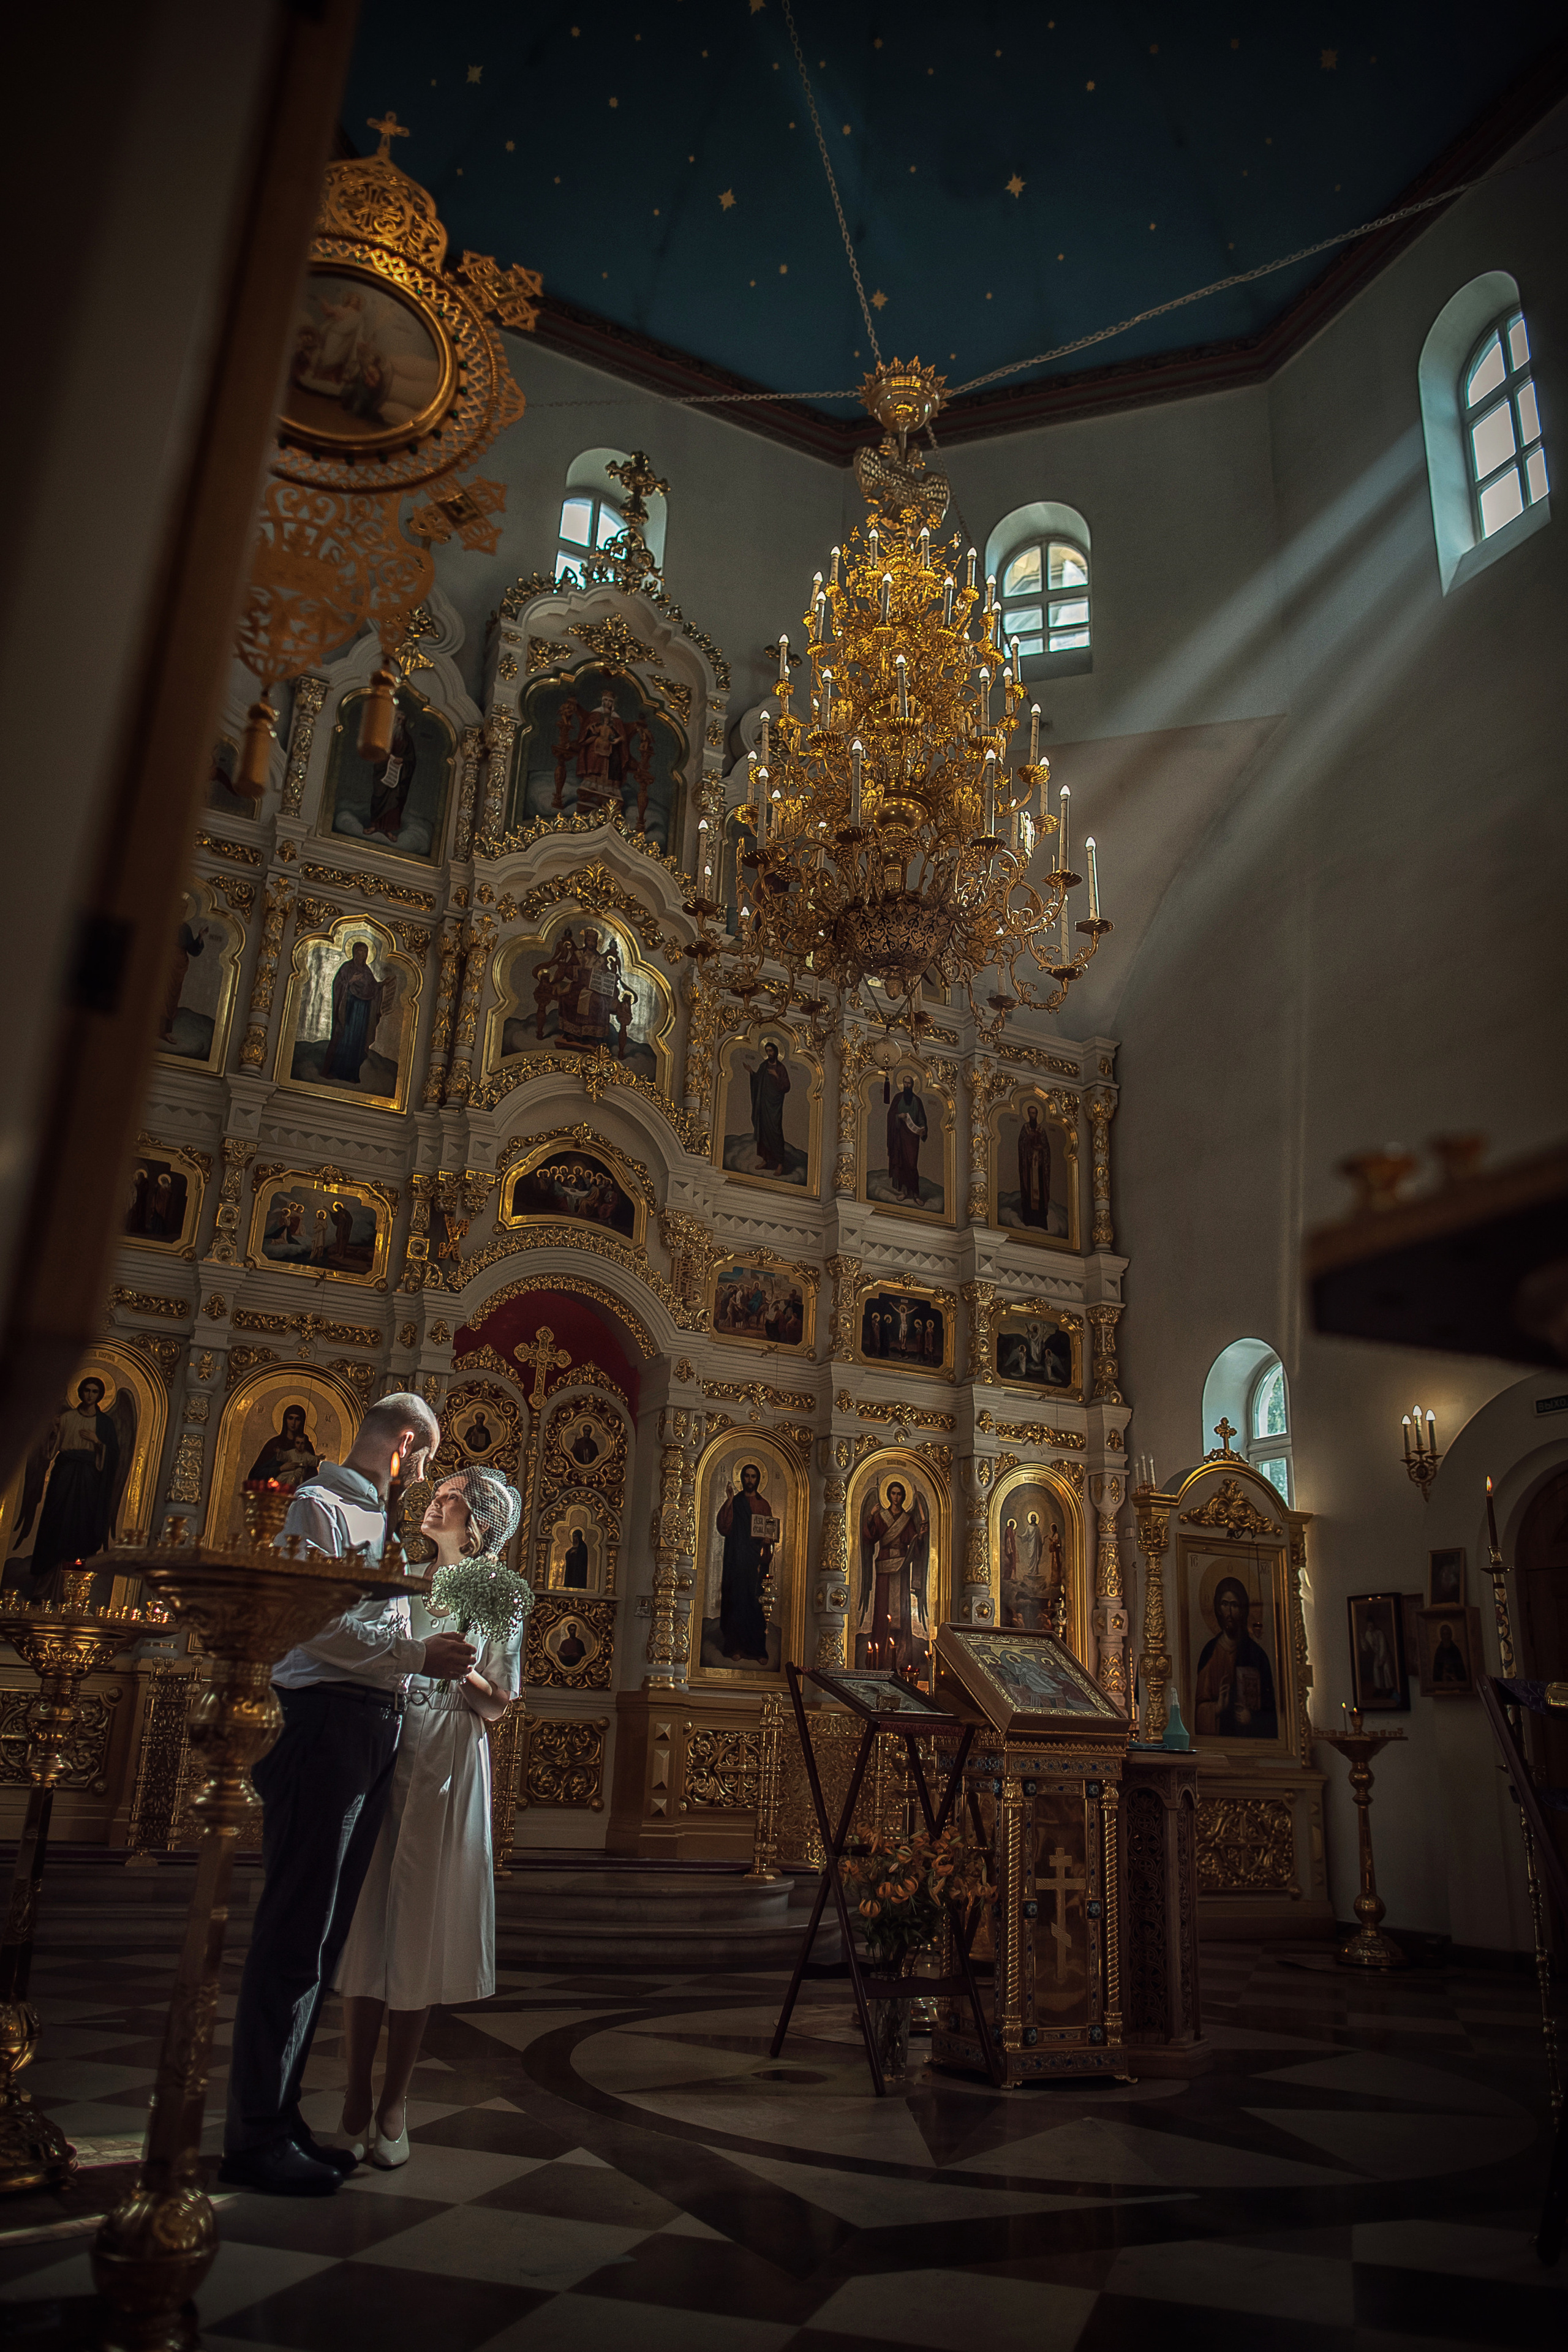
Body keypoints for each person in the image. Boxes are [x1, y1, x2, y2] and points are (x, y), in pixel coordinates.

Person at [219, 1393, 474, 2198]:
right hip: (324, 1721)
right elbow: (314, 1625)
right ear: (404, 1442)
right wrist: (416, 1649)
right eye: (425, 1459)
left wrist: (405, 1655)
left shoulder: (371, 1519)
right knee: (295, 1930)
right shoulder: (319, 1506)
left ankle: (282, 2119)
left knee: (321, 1939)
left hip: (366, 1723)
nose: (422, 1475)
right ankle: (254, 2136)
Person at [334, 1468, 524, 2170]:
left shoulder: (498, 1592)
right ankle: (353, 2095)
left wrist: (456, 1673)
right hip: (383, 1746)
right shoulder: (401, 1577)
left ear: (475, 1521)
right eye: (436, 1492)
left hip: (447, 1753)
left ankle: (394, 2101)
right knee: (365, 1928)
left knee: (414, 1927)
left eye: (447, 1497)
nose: (433, 1502)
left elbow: (500, 1701)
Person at [1193, 1576, 1278, 1740]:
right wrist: (1217, 1708)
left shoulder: (1257, 1655)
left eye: (1235, 1605)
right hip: (1219, 1739)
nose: (1230, 1613)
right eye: (1225, 1604)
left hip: (1250, 1742)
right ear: (1218, 1608)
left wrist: (1252, 1718)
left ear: (1243, 1610)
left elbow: (1273, 1711)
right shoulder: (1209, 1652)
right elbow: (1199, 1707)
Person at [715, 1463, 775, 1662]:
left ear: (758, 1480)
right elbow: (725, 1527)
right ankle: (735, 1647)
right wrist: (730, 1501)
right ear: (742, 1478)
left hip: (754, 1562)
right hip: (736, 1561)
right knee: (737, 1601)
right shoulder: (737, 1501)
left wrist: (768, 1541)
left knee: (755, 1602)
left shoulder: (763, 1505)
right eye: (747, 1476)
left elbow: (770, 1531)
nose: (750, 1480)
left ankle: (757, 1649)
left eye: (753, 1477)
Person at [322, 941, 390, 1083]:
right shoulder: (347, 968)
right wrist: (350, 981)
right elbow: (338, 984)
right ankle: (334, 1071)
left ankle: (352, 1074)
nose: (363, 954)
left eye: (365, 952)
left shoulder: (367, 971)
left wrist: (381, 985)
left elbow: (372, 989)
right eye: (360, 951)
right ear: (354, 952)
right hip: (348, 1011)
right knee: (344, 1037)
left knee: (358, 1041)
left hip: (362, 1013)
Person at [244, 1403, 320, 1491]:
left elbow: (312, 1478)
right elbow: (255, 1475)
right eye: (290, 1418)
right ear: (285, 1420)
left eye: (297, 1419)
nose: (293, 1423)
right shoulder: (274, 1444)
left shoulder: (306, 1446)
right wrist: (280, 1469)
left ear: (302, 1422)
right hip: (274, 1495)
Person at [748, 1040, 791, 1172]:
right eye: (767, 1051)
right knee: (763, 1131)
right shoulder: (764, 1066)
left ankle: (780, 1163)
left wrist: (777, 1076)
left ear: (776, 1052)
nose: (769, 1053)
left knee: (775, 1131)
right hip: (763, 1104)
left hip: (775, 1106)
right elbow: (758, 1080)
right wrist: (751, 1073)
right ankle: (765, 1160)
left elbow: (787, 1086)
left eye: (771, 1051)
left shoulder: (780, 1068)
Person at [886, 1075, 927, 1203]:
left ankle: (915, 1194)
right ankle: (904, 1192)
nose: (907, 1085)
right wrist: (899, 1116)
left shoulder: (917, 1101)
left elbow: (921, 1118)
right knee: (902, 1164)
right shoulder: (898, 1098)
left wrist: (923, 1128)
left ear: (912, 1085)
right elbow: (891, 1115)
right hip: (899, 1136)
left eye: (909, 1083)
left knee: (912, 1164)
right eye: (905, 1083)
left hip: (912, 1138)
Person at [1017, 1102, 1051, 1228]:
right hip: (1029, 1166)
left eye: (1034, 1113)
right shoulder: (1025, 1128)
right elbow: (1021, 1145)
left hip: (1040, 1167)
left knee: (1040, 1191)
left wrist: (1041, 1148)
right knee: (1029, 1189)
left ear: (1037, 1115)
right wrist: (1029, 1147)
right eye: (1030, 1113)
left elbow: (1047, 1148)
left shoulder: (1041, 1130)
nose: (1032, 1116)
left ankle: (1041, 1219)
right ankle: (1029, 1217)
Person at [561, 1524, 590, 1588]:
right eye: (573, 1537)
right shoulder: (573, 1548)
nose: (574, 1539)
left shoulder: (583, 1547)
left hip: (578, 1573)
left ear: (579, 1537)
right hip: (571, 1571)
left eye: (575, 1536)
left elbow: (582, 1559)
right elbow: (568, 1554)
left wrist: (576, 1553)